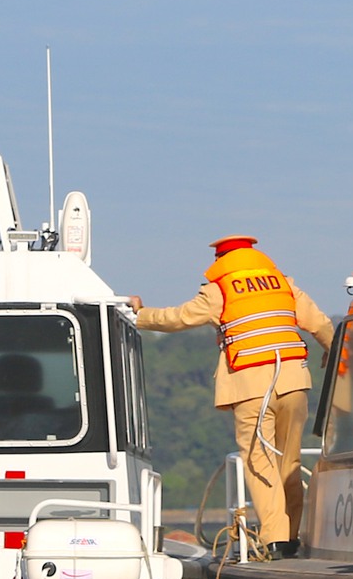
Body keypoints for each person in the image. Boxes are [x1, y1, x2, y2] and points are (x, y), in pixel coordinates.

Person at [130, 235, 335, 557]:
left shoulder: (219, 289)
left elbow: (179, 317)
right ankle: (292, 535)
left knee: (258, 463)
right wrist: (332, 353)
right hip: (295, 383)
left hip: (251, 388)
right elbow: (320, 323)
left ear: (221, 260)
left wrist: (141, 315)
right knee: (289, 463)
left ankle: (275, 539)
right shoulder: (283, 284)